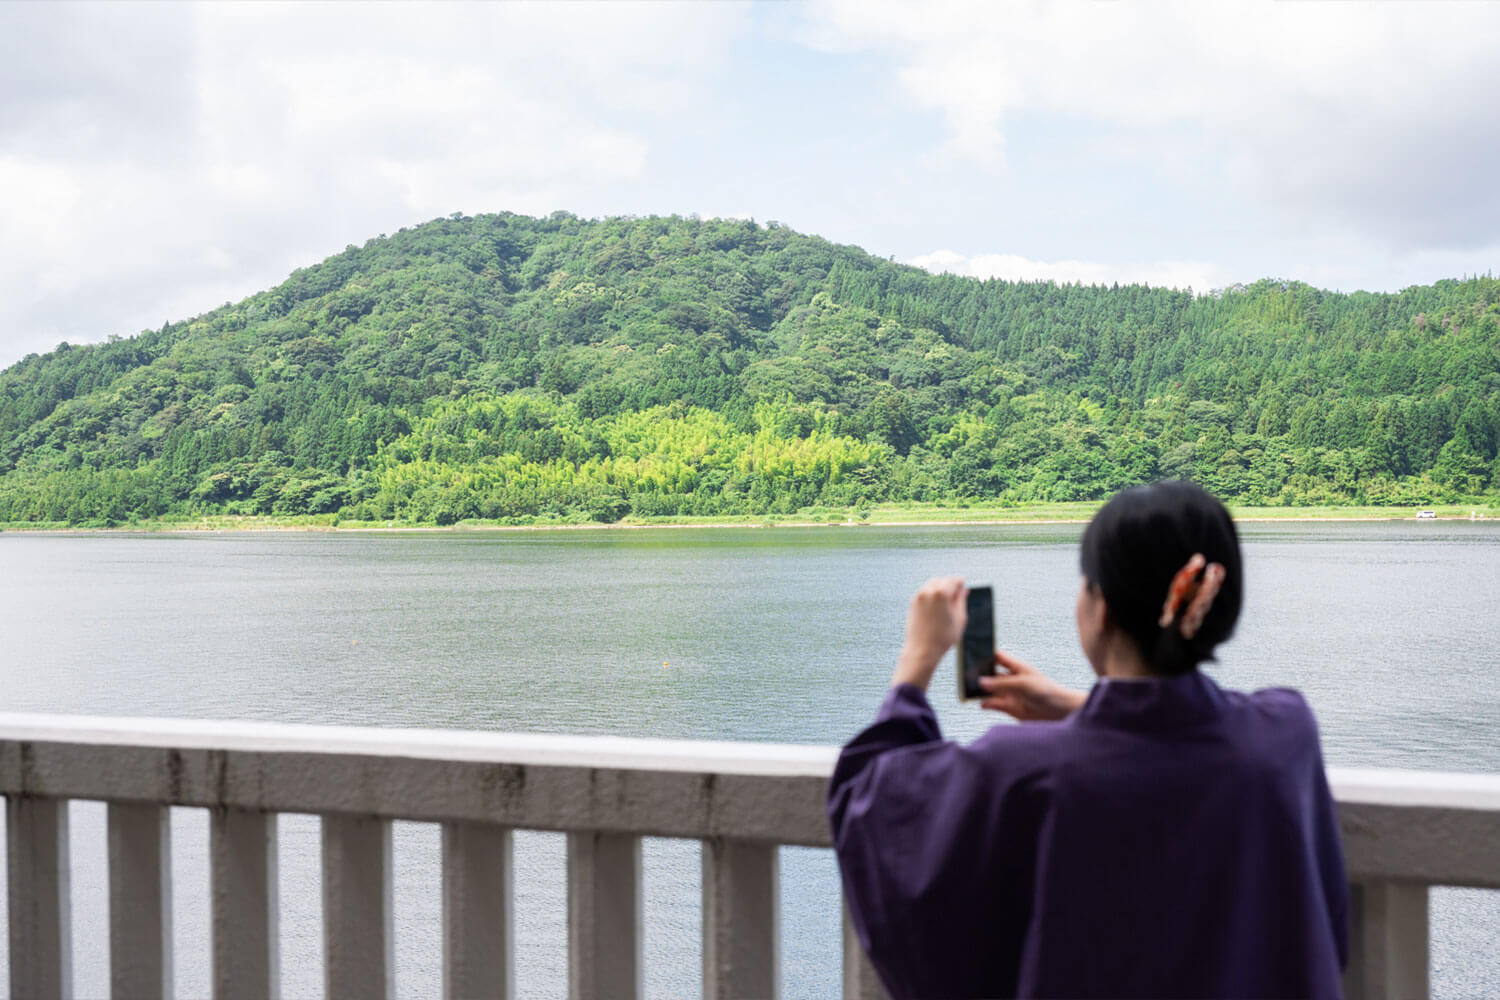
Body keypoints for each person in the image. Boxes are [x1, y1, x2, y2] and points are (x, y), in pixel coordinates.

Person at [828, 481, 1349, 999]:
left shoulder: (1020, 768)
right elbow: (1182, 735)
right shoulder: (1285, 733)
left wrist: (917, 661)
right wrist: (1076, 707)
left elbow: (869, 803)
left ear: (1100, 609)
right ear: (1217, 604)